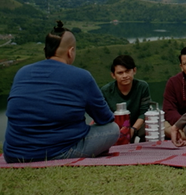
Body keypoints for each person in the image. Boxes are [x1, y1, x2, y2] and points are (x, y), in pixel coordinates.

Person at [3, 21, 119, 162]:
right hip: (58, 152)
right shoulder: (82, 76)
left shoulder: (22, 72)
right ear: (70, 52)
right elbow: (105, 119)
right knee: (113, 129)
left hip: (14, 154)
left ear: (46, 50)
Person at [100, 55, 151, 143]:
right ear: (113, 75)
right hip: (114, 129)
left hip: (138, 127)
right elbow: (104, 115)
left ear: (134, 70)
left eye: (127, 71)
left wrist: (132, 129)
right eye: (120, 73)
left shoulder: (142, 87)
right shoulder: (106, 91)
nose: (125, 76)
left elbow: (144, 113)